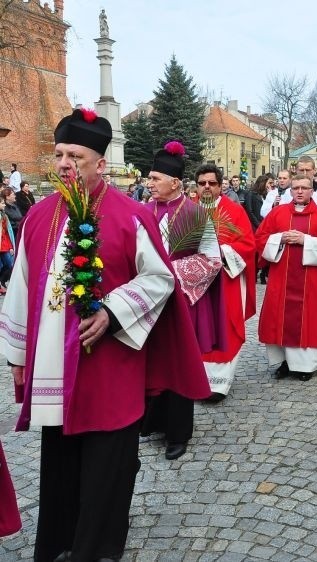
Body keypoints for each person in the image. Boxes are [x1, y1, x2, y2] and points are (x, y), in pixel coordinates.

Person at [0, 107, 210, 561]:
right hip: (56, 360)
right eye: (58, 154)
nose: (63, 164)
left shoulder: (130, 214)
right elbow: (20, 280)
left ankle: (96, 549)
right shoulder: (38, 215)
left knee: (108, 463)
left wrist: (113, 312)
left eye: (74, 155)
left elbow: (159, 279)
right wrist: (17, 352)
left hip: (109, 362)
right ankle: (57, 542)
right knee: (59, 458)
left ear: (99, 162)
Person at [140, 142, 224, 460]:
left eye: (155, 179)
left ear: (175, 183)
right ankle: (152, 421)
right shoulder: (142, 212)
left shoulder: (193, 214)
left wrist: (169, 274)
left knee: (176, 363)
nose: (150, 184)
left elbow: (212, 259)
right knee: (150, 361)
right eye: (149, 178)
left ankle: (178, 432)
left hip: (179, 303)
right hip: (145, 302)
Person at [255, 174, 317, 380]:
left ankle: (306, 367)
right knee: (279, 318)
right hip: (282, 279)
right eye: (296, 188)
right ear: (290, 191)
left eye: (304, 188)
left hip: (312, 281)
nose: (300, 192)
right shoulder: (277, 214)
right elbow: (259, 239)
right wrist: (279, 238)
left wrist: (307, 241)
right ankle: (283, 362)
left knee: (309, 320)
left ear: (312, 191)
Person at [196, 164, 257, 402]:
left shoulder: (234, 211)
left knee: (223, 328)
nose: (207, 187)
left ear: (221, 186)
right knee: (197, 330)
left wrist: (222, 251)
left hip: (225, 282)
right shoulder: (189, 211)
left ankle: (218, 385)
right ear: (197, 186)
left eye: (212, 183)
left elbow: (248, 245)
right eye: (202, 183)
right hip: (197, 285)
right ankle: (197, 380)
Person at [274, 157, 317, 221]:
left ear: (314, 170)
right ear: (296, 171)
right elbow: (282, 215)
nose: (305, 173)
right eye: (301, 170)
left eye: (308, 170)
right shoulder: (288, 192)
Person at [0, 193, 15, 295]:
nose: (4, 205)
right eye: (2, 203)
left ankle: (1, 281)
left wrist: (11, 246)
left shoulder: (4, 216)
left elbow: (7, 231)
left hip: (5, 244)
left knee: (9, 264)